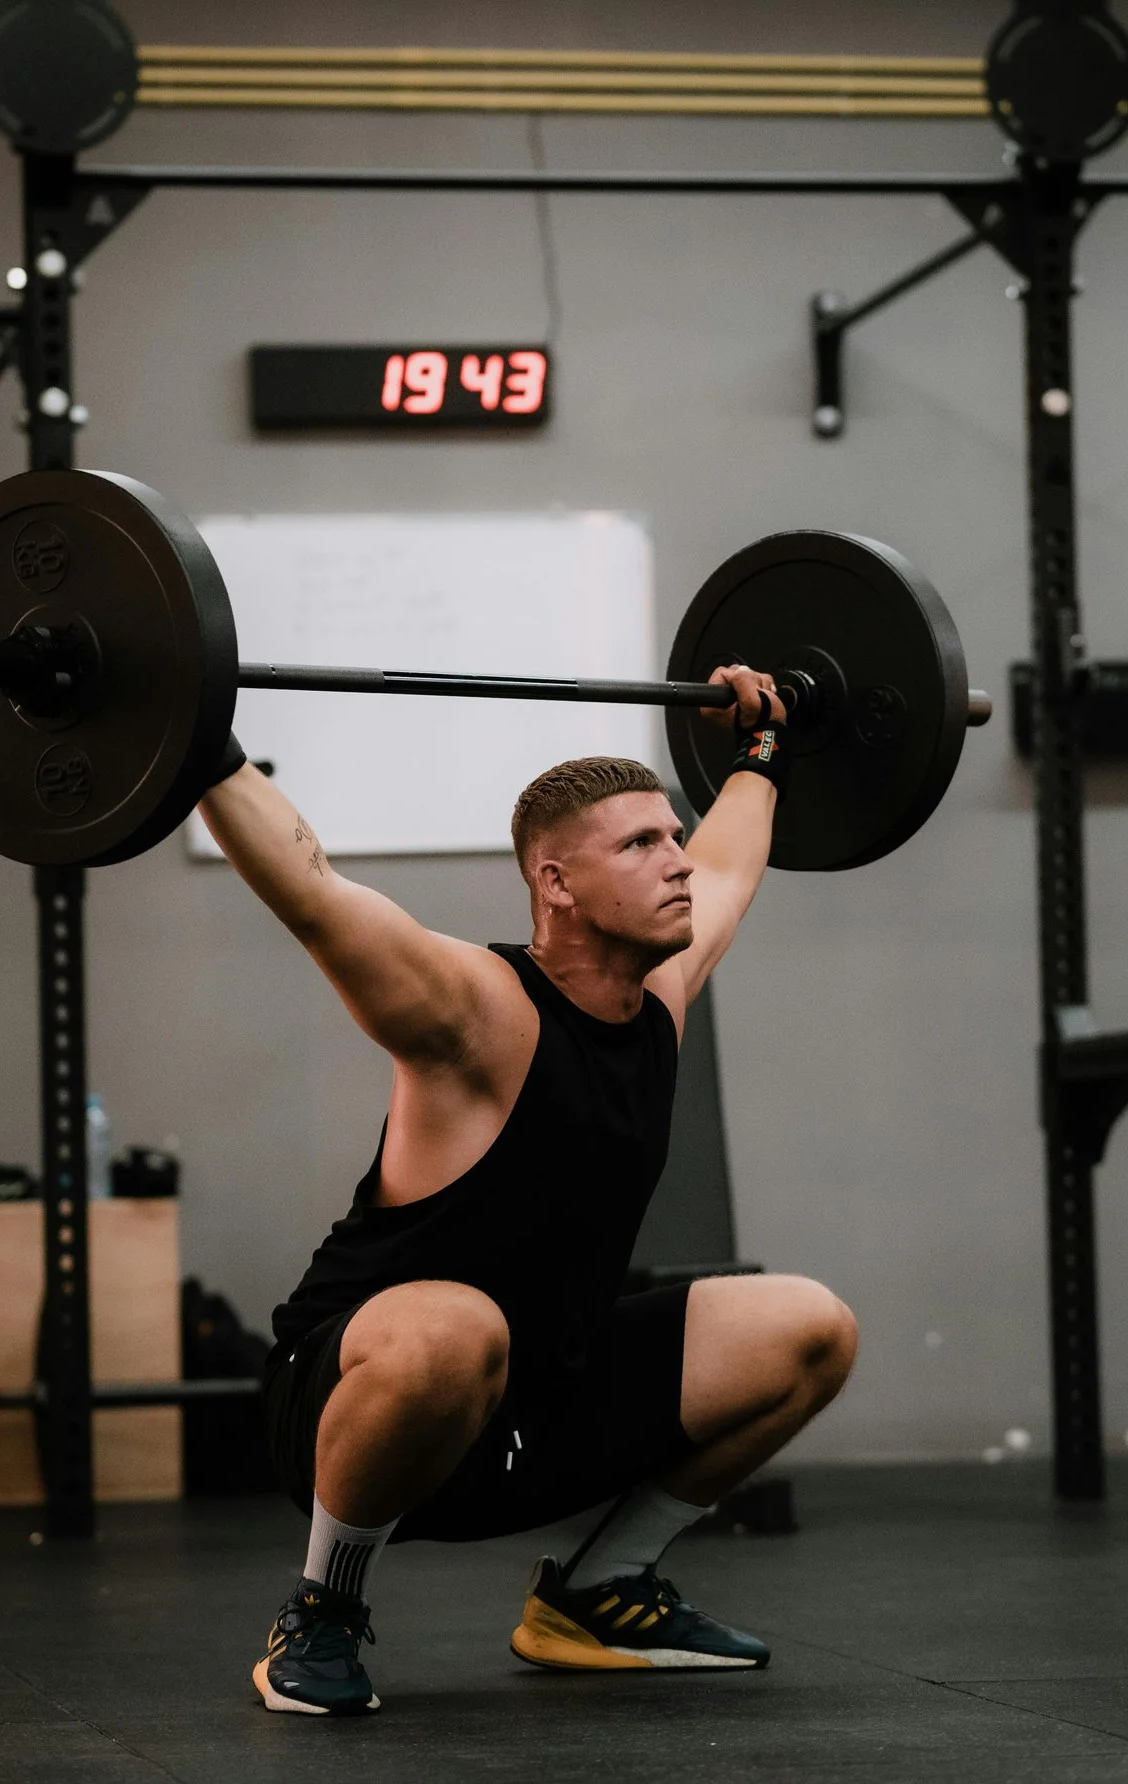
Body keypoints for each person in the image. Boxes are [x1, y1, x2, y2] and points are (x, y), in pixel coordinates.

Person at [197, 665, 858, 1716]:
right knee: (456, 1326)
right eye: (640, 844)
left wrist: (764, 744)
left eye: (671, 836)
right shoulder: (474, 1009)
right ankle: (322, 1605)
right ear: (553, 882)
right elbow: (311, 887)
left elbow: (731, 856)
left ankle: (597, 1588)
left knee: (809, 1326)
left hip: (541, 1397)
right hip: (362, 1398)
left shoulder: (664, 991)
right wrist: (197, 743)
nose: (677, 861)